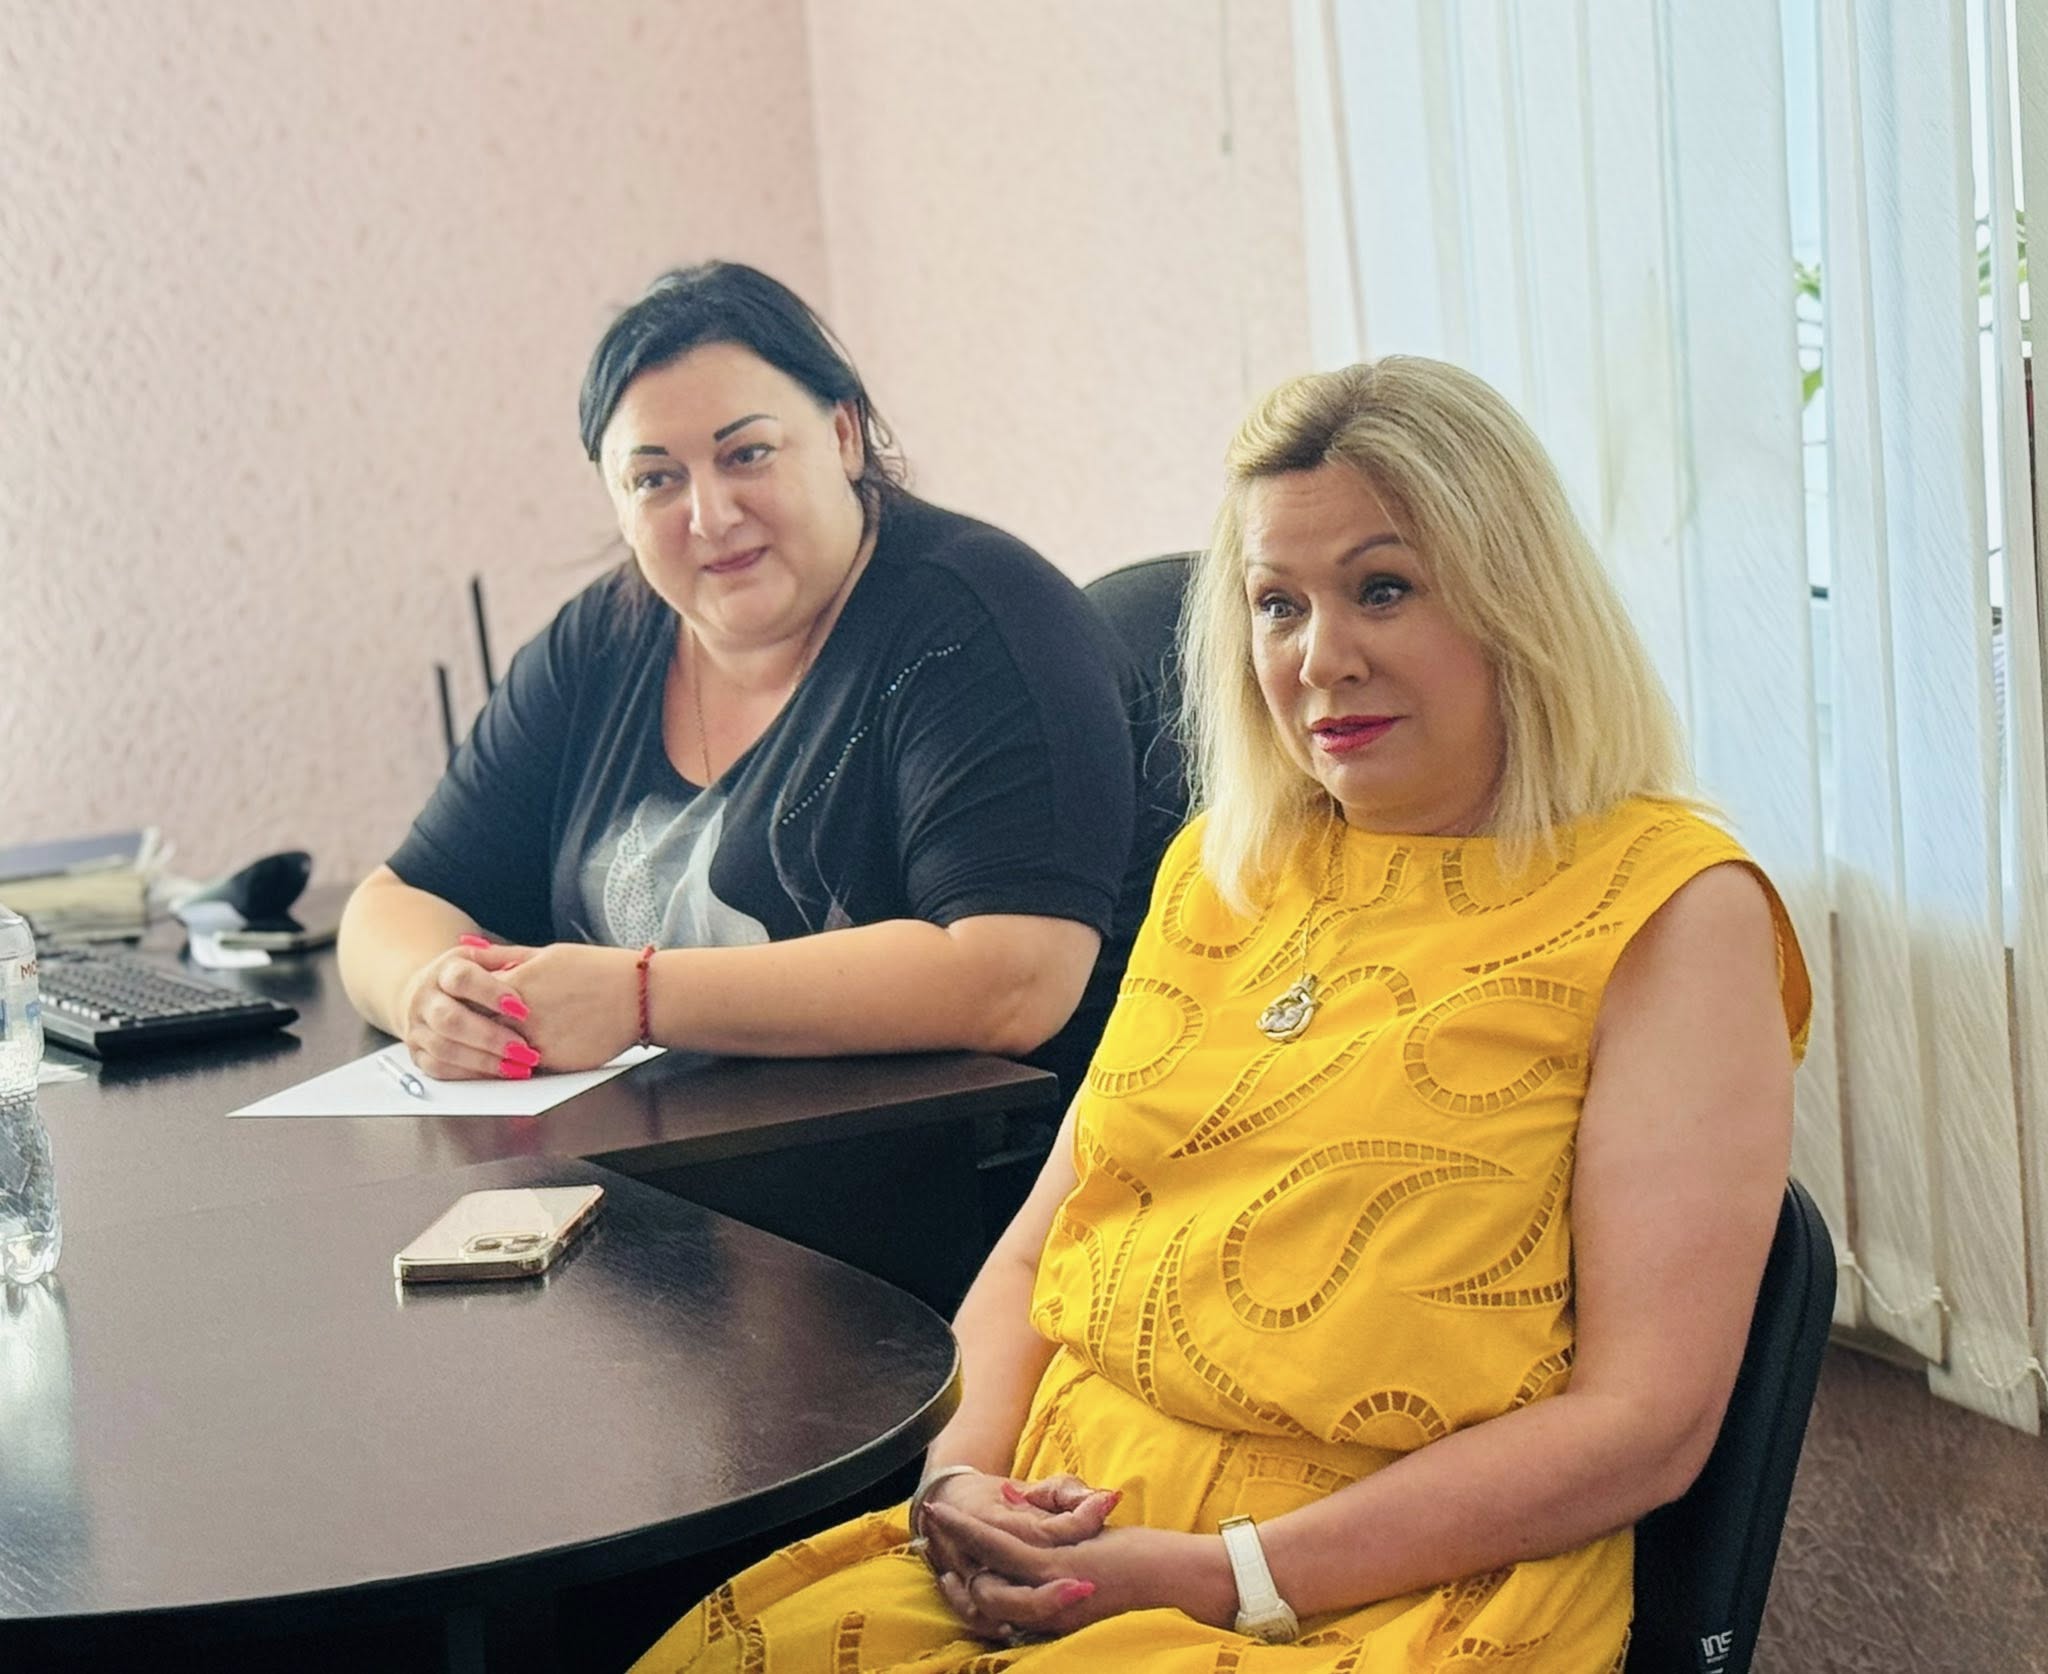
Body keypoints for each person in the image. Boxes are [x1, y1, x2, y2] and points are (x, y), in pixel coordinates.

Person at [630, 356, 1811, 1671]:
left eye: (1382, 589)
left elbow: (1646, 1425)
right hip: (1058, 1538)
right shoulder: (1222, 868)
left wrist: (1220, 1576)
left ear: (1514, 600)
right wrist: (957, 1484)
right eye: (1276, 604)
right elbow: (1037, 1255)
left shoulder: (1669, 906)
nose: (1319, 659)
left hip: (1384, 1590)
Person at [338, 262, 1176, 1103]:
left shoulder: (982, 619)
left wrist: (639, 998)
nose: (710, 516)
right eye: (655, 479)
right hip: (649, 1155)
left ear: (843, 435)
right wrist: (433, 998)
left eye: (747, 454)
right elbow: (395, 902)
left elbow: (1012, 982)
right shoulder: (602, 640)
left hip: (960, 1164)